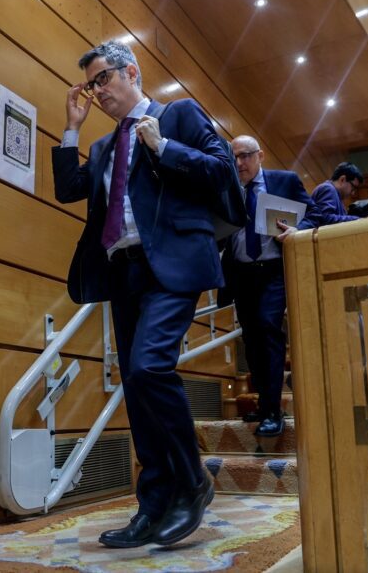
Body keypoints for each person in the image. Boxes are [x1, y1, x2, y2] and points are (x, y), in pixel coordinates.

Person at [52, 42, 238, 548]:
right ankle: (153, 503)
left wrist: (163, 148)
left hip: (173, 264)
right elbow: (69, 188)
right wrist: (72, 126)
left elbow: (224, 171)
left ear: (131, 71)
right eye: (90, 85)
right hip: (124, 273)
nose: (97, 91)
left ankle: (193, 484)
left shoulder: (175, 115)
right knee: (136, 387)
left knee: (149, 367)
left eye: (103, 78)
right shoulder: (106, 146)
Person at [220, 135, 319, 437]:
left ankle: (273, 411)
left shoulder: (284, 181)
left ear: (260, 155)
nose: (239, 163)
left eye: (246, 156)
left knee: (267, 329)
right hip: (241, 273)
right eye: (234, 157)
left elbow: (316, 214)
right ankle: (265, 405)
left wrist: (297, 229)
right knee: (251, 340)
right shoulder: (228, 188)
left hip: (273, 271)